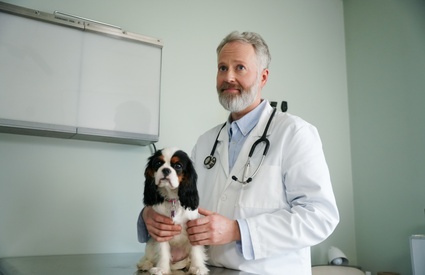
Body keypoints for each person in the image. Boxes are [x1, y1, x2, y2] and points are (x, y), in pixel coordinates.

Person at [138, 31, 339, 274]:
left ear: (263, 77)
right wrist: (148, 214)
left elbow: (320, 217)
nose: (228, 77)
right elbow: (183, 201)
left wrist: (238, 231)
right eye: (222, 68)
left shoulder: (295, 133)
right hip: (209, 269)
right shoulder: (206, 142)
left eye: (240, 67)